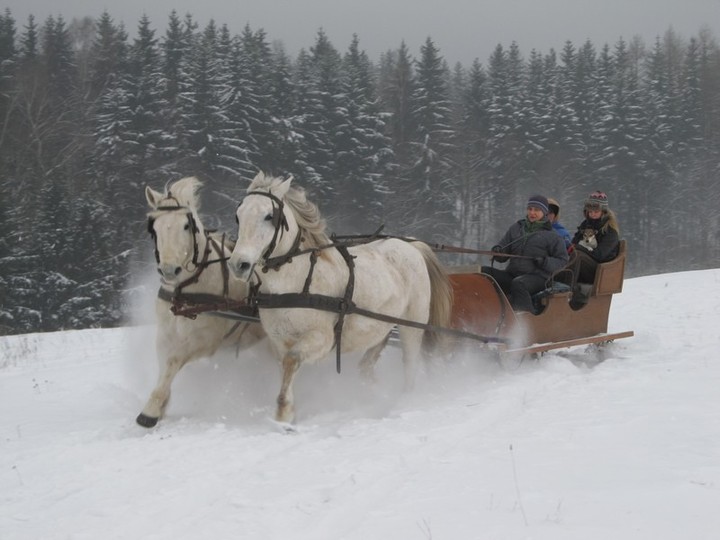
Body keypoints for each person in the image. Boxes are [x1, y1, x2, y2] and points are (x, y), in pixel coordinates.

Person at [481, 194, 569, 313]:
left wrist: (545, 261)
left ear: (544, 212)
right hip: (512, 274)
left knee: (519, 284)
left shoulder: (553, 236)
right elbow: (503, 249)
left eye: (536, 210)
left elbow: (562, 261)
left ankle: (526, 321)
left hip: (539, 278)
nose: (532, 212)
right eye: (530, 209)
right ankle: (485, 312)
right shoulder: (516, 228)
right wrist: (498, 251)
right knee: (484, 272)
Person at [568, 190, 620, 285]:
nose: (592, 214)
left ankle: (566, 287)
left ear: (603, 211)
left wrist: (579, 248)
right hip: (585, 265)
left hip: (601, 270)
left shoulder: (610, 231)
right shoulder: (585, 224)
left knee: (577, 255)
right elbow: (574, 241)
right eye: (590, 211)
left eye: (596, 211)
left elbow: (599, 255)